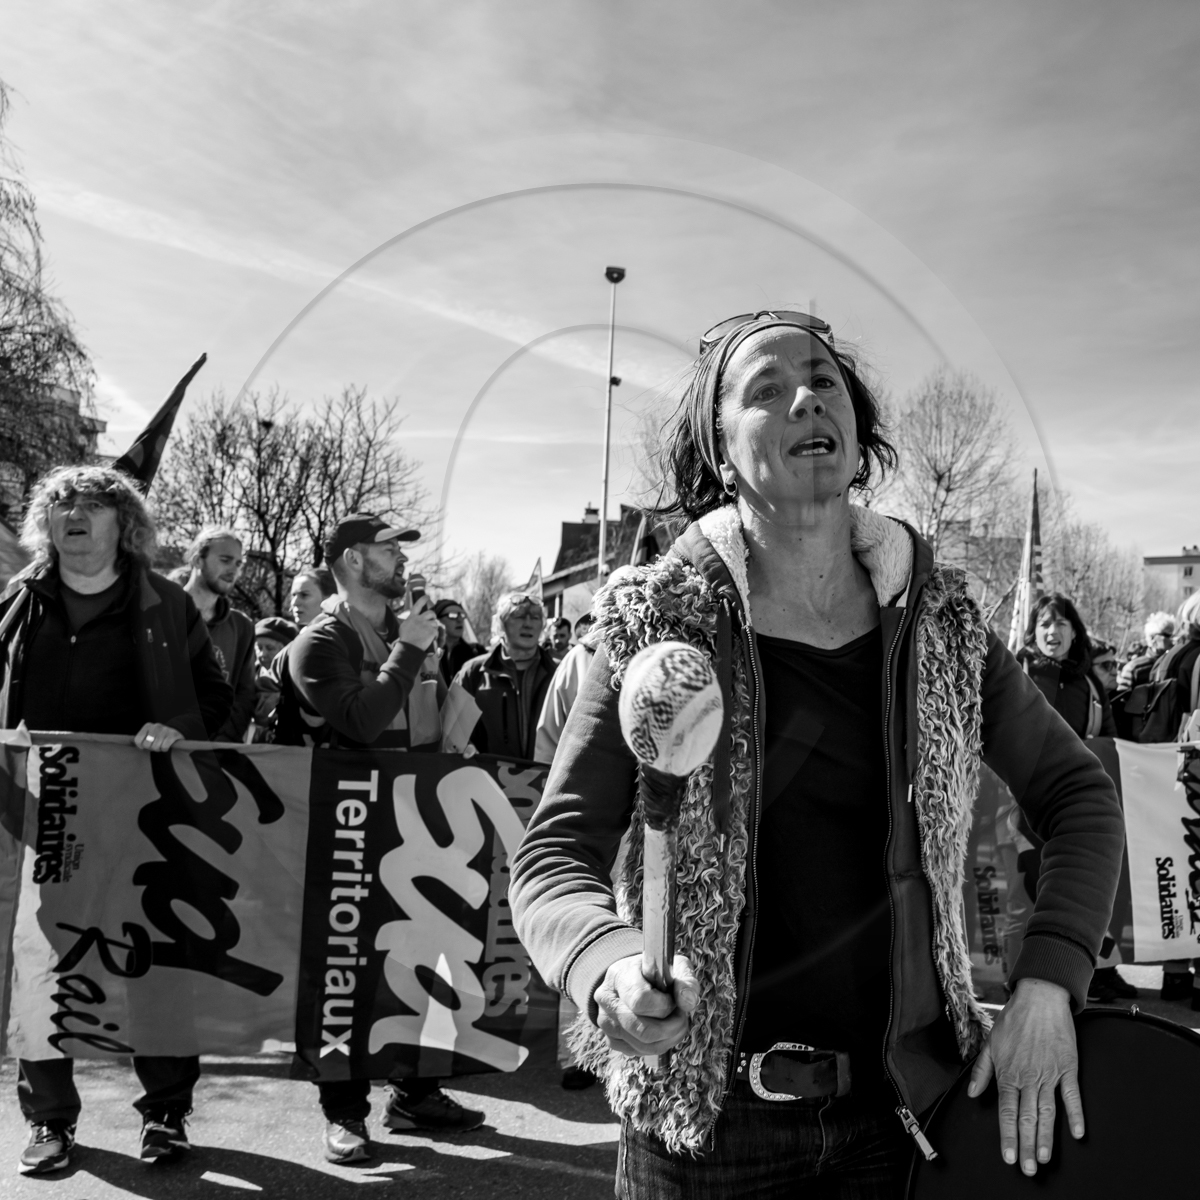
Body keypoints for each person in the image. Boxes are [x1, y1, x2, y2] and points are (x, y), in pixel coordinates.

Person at [509, 311, 1124, 1197]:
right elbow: (553, 854)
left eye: (824, 379)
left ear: (858, 428)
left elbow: (1080, 793)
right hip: (703, 1133)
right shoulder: (653, 625)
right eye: (766, 389)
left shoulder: (945, 624)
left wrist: (1050, 981)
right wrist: (604, 966)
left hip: (903, 1118)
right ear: (721, 455)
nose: (805, 396)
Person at [0, 465, 232, 1175]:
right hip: (40, 815)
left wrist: (176, 727)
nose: (75, 515)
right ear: (48, 522)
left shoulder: (164, 602)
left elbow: (216, 701)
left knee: (151, 966)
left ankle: (164, 1112)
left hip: (146, 813)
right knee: (42, 968)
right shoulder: (17, 601)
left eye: (93, 506)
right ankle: (49, 1120)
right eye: (61, 504)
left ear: (122, 524)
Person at [273, 513, 483, 1162]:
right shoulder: (320, 642)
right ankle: (344, 1114)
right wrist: (413, 648)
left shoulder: (406, 631)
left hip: (417, 823)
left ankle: (414, 1093)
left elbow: (427, 711)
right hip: (349, 831)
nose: (400, 562)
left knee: (421, 963)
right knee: (349, 976)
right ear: (353, 561)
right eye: (388, 551)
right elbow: (362, 723)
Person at [444, 591, 557, 761]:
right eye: (519, 616)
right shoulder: (473, 673)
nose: (528, 623)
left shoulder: (560, 672)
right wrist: (466, 749)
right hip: (488, 782)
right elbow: (451, 735)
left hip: (547, 783)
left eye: (535, 617)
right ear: (500, 624)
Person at [183, 527, 256, 742]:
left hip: (215, 751)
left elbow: (245, 693)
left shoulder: (242, 626)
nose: (233, 570)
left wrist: (222, 741)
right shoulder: (161, 612)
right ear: (198, 560)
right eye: (225, 560)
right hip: (159, 745)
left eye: (238, 564)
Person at [247, 616, 299, 743]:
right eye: (259, 648)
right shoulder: (248, 676)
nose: (262, 654)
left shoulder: (297, 681)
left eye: (269, 648)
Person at [1117, 612, 1175, 690]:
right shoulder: (1134, 668)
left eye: (1173, 635)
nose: (1172, 639)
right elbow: (1123, 698)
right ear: (1152, 638)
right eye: (1167, 635)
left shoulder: (1175, 663)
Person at [433, 598, 483, 685]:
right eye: (453, 615)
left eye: (462, 615)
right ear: (438, 621)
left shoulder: (476, 652)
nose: (460, 620)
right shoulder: (428, 653)